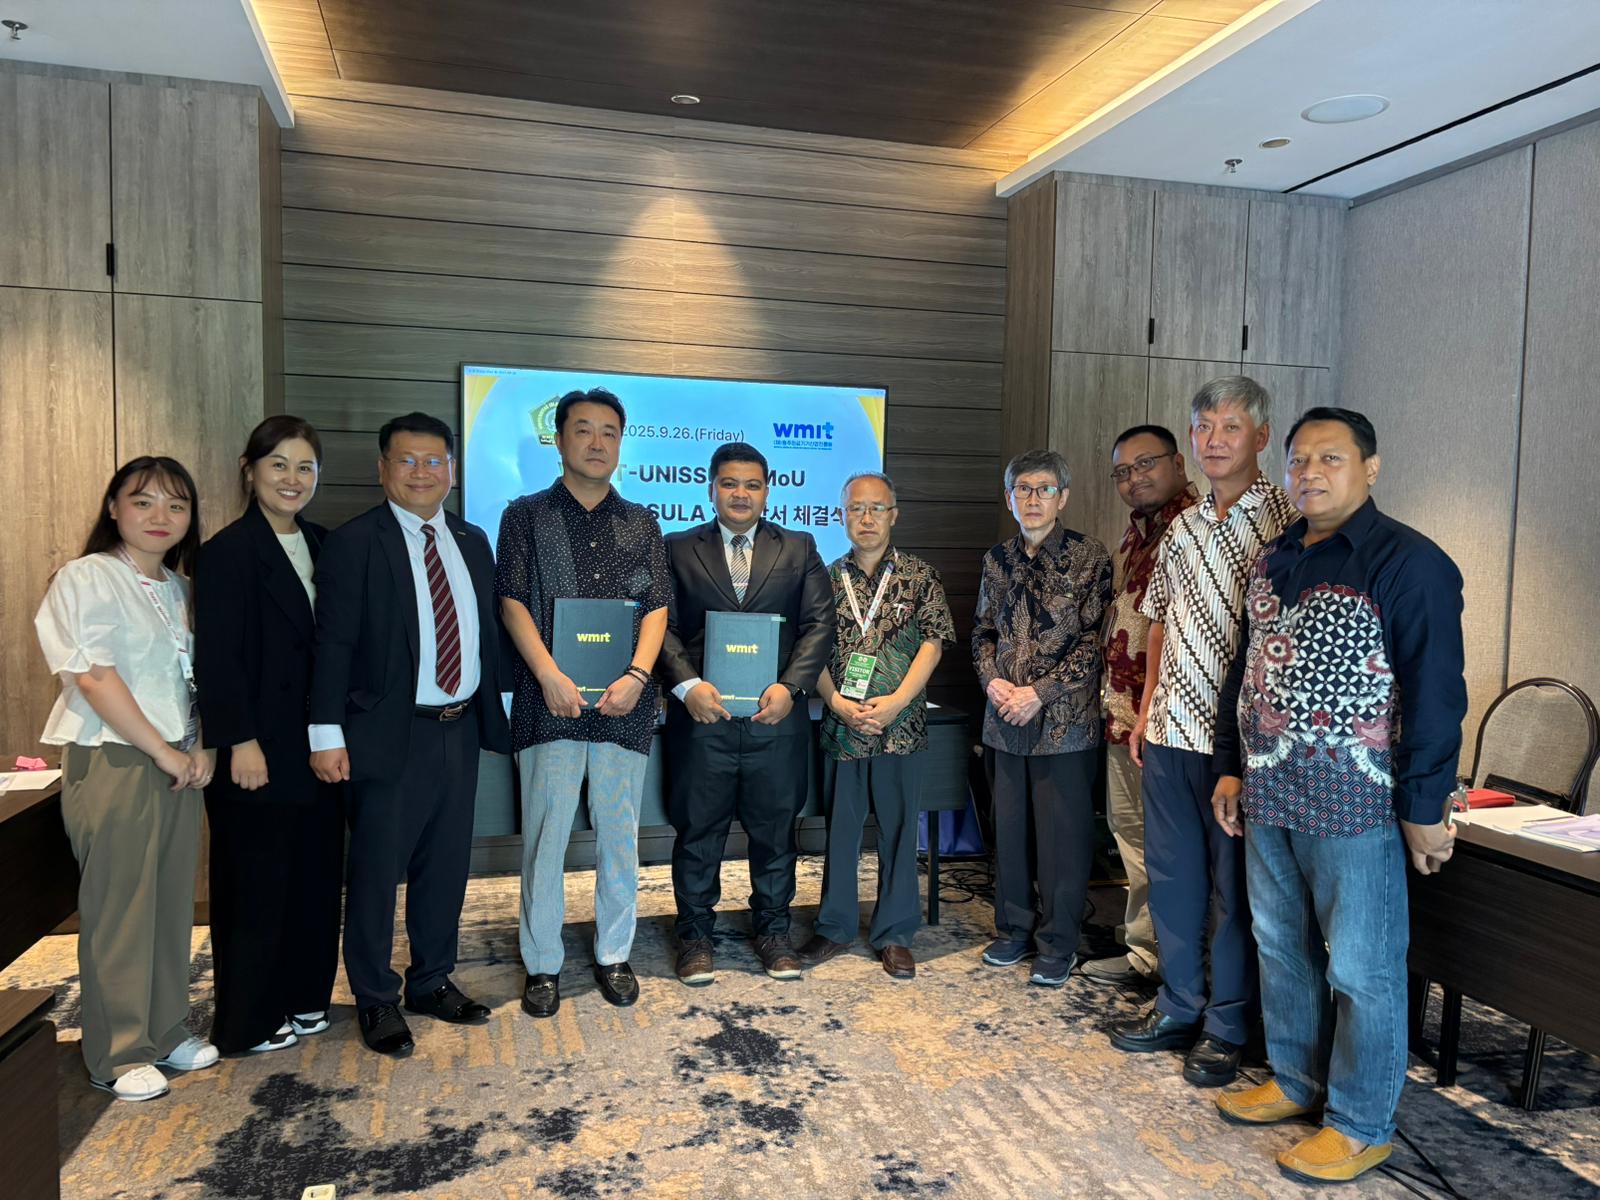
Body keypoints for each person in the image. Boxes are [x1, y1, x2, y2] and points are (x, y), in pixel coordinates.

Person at [1210, 408, 1464, 1183]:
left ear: (1370, 468)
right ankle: (1295, 1079)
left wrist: (1424, 807)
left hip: (1356, 804)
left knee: (1361, 968)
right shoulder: (1276, 554)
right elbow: (1248, 667)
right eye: (1299, 461)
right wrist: (1231, 764)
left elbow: (1435, 695)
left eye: (1330, 458)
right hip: (1270, 789)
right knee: (1280, 946)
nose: (1310, 473)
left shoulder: (1410, 562)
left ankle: (1359, 1124)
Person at [1111, 376, 1297, 1088]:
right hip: (1168, 733)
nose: (1215, 440)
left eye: (1230, 426)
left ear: (1261, 436)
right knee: (1173, 880)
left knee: (1234, 892)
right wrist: (1146, 709)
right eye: (1204, 427)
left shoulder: (1284, 521)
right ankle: (1178, 1005)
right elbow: (1160, 622)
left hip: (1239, 746)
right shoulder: (1183, 527)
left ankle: (1228, 1025)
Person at [308, 411, 511, 1056]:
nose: (421, 472)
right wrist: (324, 733)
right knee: (376, 873)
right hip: (387, 733)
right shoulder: (353, 543)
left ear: (451, 469)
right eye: (407, 460)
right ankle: (375, 996)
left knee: (445, 867)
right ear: (382, 469)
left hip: (459, 727)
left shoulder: (472, 540)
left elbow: (484, 633)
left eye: (434, 461)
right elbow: (333, 645)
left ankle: (431, 980)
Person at [35, 457, 218, 1102]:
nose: (160, 516)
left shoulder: (179, 587)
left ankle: (164, 1030)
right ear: (114, 509)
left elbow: (191, 679)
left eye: (176, 505)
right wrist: (164, 752)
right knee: (121, 909)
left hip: (179, 759)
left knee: (169, 903)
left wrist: (197, 746)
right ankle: (116, 1051)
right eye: (143, 502)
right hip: (116, 758)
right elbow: (94, 677)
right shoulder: (87, 577)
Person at [495, 388, 671, 1018]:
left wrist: (638, 675)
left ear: (620, 443)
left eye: (609, 433)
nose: (597, 443)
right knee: (546, 839)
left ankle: (614, 953)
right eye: (584, 430)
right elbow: (512, 600)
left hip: (626, 704)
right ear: (561, 438)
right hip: (549, 704)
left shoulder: (642, 521)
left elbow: (656, 607)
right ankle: (542, 963)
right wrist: (547, 674)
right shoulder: (525, 515)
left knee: (620, 837)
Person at [658, 442, 834, 985]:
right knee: (697, 833)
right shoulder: (677, 547)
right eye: (730, 483)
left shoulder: (799, 547)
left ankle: (774, 933)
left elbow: (819, 625)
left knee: (776, 833)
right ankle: (694, 937)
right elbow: (660, 625)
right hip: (701, 720)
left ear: (767, 491)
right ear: (711, 488)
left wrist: (792, 688)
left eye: (752, 485)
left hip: (773, 721)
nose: (741, 494)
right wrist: (687, 685)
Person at [194, 416, 343, 1055]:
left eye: (305, 467)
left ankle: (306, 995)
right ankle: (247, 1020)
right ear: (249, 470)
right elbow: (218, 659)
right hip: (256, 748)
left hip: (317, 744)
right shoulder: (226, 552)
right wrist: (240, 740)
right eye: (278, 464)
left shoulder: (325, 543)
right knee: (254, 885)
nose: (292, 479)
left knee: (313, 877)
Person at [799, 472, 955, 980]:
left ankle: (895, 933)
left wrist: (897, 702)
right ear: (842, 516)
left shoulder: (920, 576)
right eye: (856, 509)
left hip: (901, 726)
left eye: (876, 508)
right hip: (842, 726)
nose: (866, 518)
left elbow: (933, 644)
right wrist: (834, 701)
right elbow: (810, 651)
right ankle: (835, 926)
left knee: (899, 831)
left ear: (894, 514)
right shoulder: (823, 579)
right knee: (841, 833)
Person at [973, 449, 1112, 988]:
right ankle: (1013, 930)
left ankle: (1058, 943)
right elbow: (983, 632)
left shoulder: (1089, 556)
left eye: (1045, 489)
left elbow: (1093, 643)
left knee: (1061, 842)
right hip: (1004, 720)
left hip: (1065, 726)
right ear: (1009, 498)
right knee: (1008, 835)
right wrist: (993, 683)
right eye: (1023, 489)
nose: (1033, 499)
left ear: (1063, 497)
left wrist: (1040, 692)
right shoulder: (996, 560)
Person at [1083, 426, 1197, 985]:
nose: (1134, 478)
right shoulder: (1135, 537)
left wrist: (1152, 710)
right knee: (1134, 841)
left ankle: (1164, 963)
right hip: (1122, 719)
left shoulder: (1194, 530)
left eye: (1145, 464)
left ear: (1178, 463)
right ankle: (1145, 947)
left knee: (1164, 849)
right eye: (1123, 471)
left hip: (1165, 724)